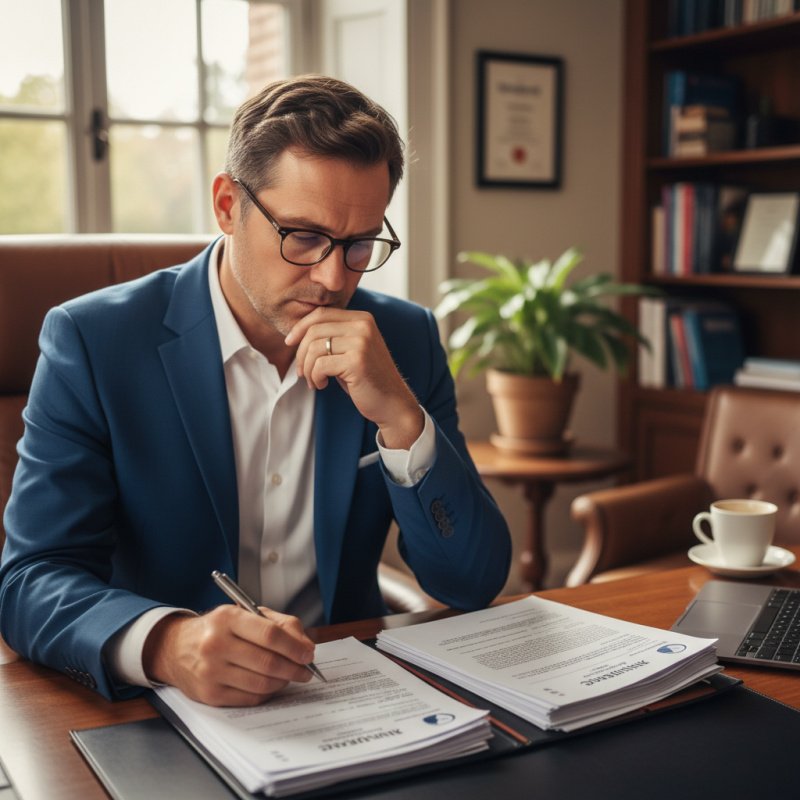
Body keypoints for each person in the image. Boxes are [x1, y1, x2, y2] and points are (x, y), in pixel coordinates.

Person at [0, 75, 511, 707]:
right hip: (155, 710)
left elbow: (472, 582)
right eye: (303, 236)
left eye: (359, 245)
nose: (331, 278)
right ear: (226, 206)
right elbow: (29, 580)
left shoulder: (403, 339)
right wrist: (167, 644)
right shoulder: (93, 341)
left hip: (350, 699)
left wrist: (404, 421)